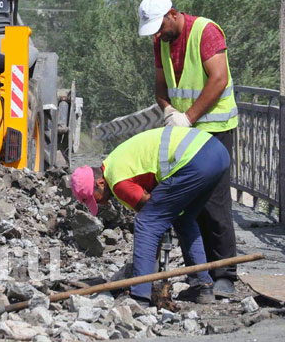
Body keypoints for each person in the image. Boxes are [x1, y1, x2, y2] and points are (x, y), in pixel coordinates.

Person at [137, 0, 239, 297]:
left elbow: (218, 79)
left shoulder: (205, 31)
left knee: (215, 201)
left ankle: (226, 274)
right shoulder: (161, 41)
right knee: (191, 204)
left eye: (160, 27)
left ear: (172, 14)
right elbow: (161, 83)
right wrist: (168, 109)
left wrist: (189, 117)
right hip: (185, 131)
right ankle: (202, 275)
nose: (158, 35)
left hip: (215, 126)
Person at [70, 126, 230, 306]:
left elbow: (151, 217)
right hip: (217, 153)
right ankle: (203, 287)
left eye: (95, 198)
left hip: (195, 159)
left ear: (100, 183)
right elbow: (161, 210)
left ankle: (139, 296)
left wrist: (141, 273)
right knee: (183, 219)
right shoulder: (115, 161)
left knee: (147, 222)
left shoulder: (118, 181)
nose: (102, 203)